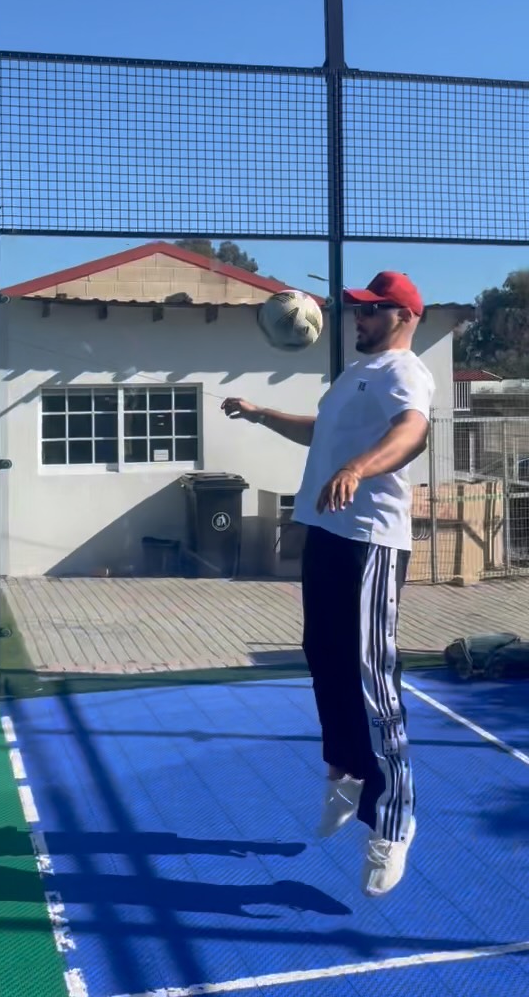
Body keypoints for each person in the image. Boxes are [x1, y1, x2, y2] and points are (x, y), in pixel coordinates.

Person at [221, 271, 434, 897]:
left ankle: (393, 822)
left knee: (371, 675)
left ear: (403, 316)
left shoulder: (405, 372)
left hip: (371, 541)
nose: (357, 319)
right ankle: (346, 771)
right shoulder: (354, 375)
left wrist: (357, 468)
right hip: (327, 531)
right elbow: (321, 431)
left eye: (372, 311)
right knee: (324, 657)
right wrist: (261, 415)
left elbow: (411, 431)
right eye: (357, 310)